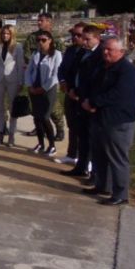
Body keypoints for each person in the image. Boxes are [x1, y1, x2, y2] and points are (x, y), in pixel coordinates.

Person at [81, 38, 135, 205]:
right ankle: (102, 185)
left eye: (110, 50)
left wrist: (93, 103)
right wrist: (88, 101)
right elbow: (93, 86)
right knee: (99, 155)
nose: (105, 52)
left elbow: (118, 94)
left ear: (120, 52)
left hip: (117, 121)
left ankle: (120, 194)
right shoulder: (103, 67)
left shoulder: (127, 71)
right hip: (99, 118)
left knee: (117, 158)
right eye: (104, 49)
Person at [62, 25, 104, 178]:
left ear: (97, 38)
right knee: (82, 135)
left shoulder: (100, 54)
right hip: (77, 97)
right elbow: (73, 71)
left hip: (90, 102)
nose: (84, 42)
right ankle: (81, 167)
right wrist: (72, 88)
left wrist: (89, 100)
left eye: (88, 39)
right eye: (83, 39)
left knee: (93, 138)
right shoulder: (82, 52)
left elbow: (97, 81)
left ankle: (94, 173)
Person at [23, 12, 66, 141]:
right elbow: (27, 53)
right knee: (36, 105)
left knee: (52, 106)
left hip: (51, 77)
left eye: (41, 20)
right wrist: (35, 63)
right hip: (36, 75)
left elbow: (61, 56)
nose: (39, 22)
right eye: (38, 20)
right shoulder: (32, 37)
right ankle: (40, 127)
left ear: (49, 22)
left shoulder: (56, 38)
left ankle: (59, 129)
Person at [25, 31, 62, 156]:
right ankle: (40, 143)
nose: (40, 42)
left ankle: (52, 145)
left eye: (43, 40)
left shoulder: (56, 55)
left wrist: (43, 88)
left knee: (45, 117)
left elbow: (56, 74)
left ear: (50, 40)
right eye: (38, 40)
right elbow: (29, 71)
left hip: (47, 89)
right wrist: (29, 85)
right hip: (34, 88)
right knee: (37, 117)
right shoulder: (36, 53)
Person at [0, 24, 25, 146]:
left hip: (12, 79)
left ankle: (12, 135)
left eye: (8, 33)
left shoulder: (18, 47)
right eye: (3, 33)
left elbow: (20, 65)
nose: (5, 35)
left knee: (12, 108)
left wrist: (20, 82)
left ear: (12, 34)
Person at [55, 23, 87, 164]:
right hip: (69, 93)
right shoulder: (70, 51)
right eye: (73, 34)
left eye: (79, 35)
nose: (75, 37)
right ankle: (72, 153)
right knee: (72, 124)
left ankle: (83, 157)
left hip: (82, 95)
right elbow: (62, 68)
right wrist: (62, 81)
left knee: (83, 127)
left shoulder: (87, 53)